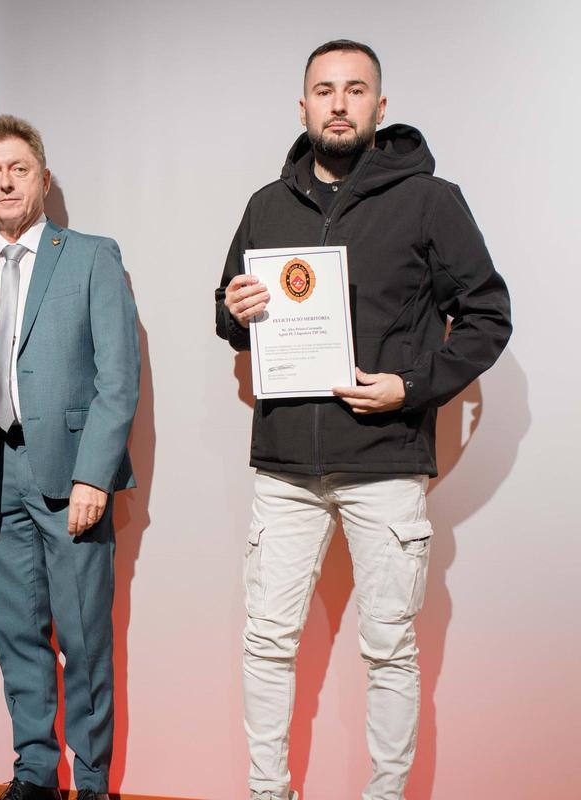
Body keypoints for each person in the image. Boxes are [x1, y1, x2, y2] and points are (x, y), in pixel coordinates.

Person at [215, 40, 512, 800]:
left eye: (355, 90)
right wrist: (233, 311)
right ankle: (265, 793)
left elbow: (486, 316)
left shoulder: (429, 200)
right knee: (266, 646)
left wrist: (411, 387)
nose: (338, 103)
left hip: (384, 461)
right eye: (324, 90)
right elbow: (231, 311)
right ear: (304, 106)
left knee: (389, 651)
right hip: (284, 467)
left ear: (380, 108)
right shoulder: (266, 205)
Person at [0, 115, 140, 800]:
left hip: (68, 478)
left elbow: (120, 377)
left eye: (17, 169)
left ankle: (92, 781)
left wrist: (95, 474)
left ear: (43, 179)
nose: (5, 182)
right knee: (18, 637)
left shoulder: (90, 256)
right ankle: (33, 771)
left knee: (83, 643)